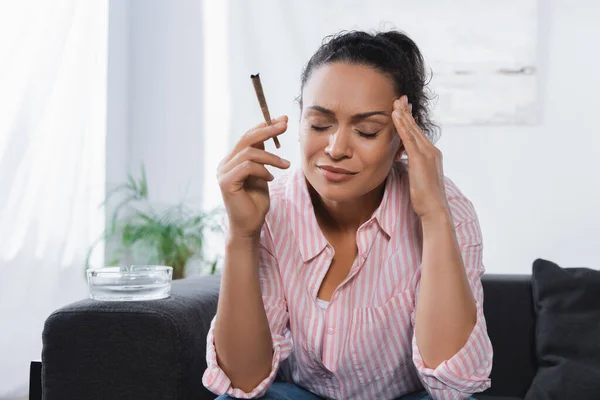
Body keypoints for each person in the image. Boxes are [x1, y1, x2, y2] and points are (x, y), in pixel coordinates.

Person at [202, 30, 493, 400]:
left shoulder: (447, 206)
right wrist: (242, 237)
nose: (336, 149)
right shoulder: (272, 208)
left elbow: (453, 381)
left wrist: (434, 214)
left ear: (404, 137)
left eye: (367, 131)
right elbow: (244, 382)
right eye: (319, 125)